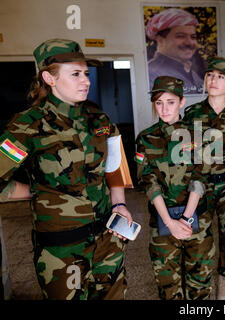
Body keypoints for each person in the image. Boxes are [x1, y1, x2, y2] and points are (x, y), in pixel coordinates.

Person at [0, 39, 133, 300]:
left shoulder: (98, 118)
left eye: (86, 73)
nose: (86, 80)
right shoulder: (28, 125)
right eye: (75, 74)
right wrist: (33, 191)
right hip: (61, 251)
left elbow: (115, 167)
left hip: (108, 240)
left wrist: (119, 205)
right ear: (49, 78)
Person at [136, 76, 214, 300]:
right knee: (168, 287)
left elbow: (201, 176)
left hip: (196, 222)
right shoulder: (145, 138)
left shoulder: (199, 135)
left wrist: (186, 219)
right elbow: (148, 182)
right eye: (159, 102)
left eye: (170, 102)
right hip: (162, 222)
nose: (164, 108)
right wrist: (170, 223)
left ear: (181, 102)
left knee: (199, 285)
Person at [182, 57, 225, 299]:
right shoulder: (192, 113)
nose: (213, 80)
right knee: (198, 245)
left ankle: (224, 296)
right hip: (198, 189)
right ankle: (199, 299)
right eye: (210, 75)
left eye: (220, 77)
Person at [146, 8, 204, 94]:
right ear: (160, 41)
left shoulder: (192, 73)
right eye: (180, 36)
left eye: (193, 37)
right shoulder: (152, 74)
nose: (189, 43)